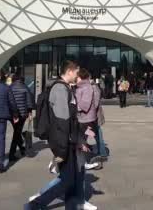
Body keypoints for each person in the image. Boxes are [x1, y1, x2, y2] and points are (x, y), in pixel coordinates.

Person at [25, 61, 95, 210]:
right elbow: (62, 122)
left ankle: (70, 207)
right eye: (76, 72)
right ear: (69, 71)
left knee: (72, 178)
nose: (77, 76)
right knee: (68, 180)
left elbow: (69, 121)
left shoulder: (64, 88)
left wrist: (78, 139)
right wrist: (62, 150)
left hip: (68, 140)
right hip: (63, 142)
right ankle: (35, 205)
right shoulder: (60, 89)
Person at [75, 68, 102, 171]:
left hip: (85, 120)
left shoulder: (86, 88)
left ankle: (84, 161)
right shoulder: (82, 87)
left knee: (81, 140)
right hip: (84, 119)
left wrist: (74, 105)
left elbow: (85, 105)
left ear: (80, 77)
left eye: (76, 77)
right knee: (81, 140)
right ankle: (83, 160)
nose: (75, 78)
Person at [9, 75, 35, 160]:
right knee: (17, 133)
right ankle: (12, 154)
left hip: (12, 114)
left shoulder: (9, 87)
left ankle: (21, 148)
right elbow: (29, 101)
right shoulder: (25, 87)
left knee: (17, 131)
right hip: (22, 114)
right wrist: (30, 112)